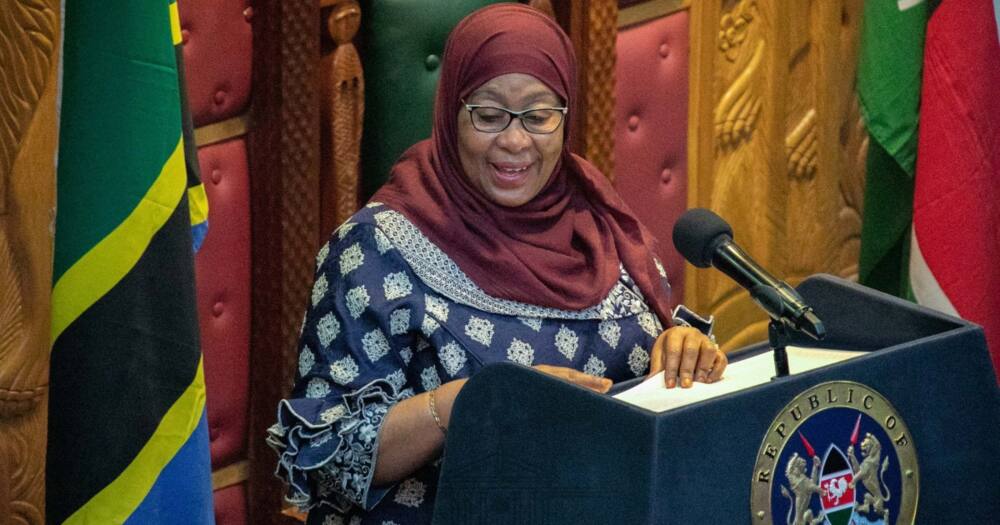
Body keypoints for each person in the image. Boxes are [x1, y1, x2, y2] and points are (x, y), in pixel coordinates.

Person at [267, 4, 727, 524]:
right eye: (488, 115)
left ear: (564, 117)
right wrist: (467, 406)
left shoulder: (601, 222)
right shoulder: (372, 250)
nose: (514, 141)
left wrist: (679, 353)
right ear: (450, 113)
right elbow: (328, 453)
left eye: (538, 116)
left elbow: (641, 389)